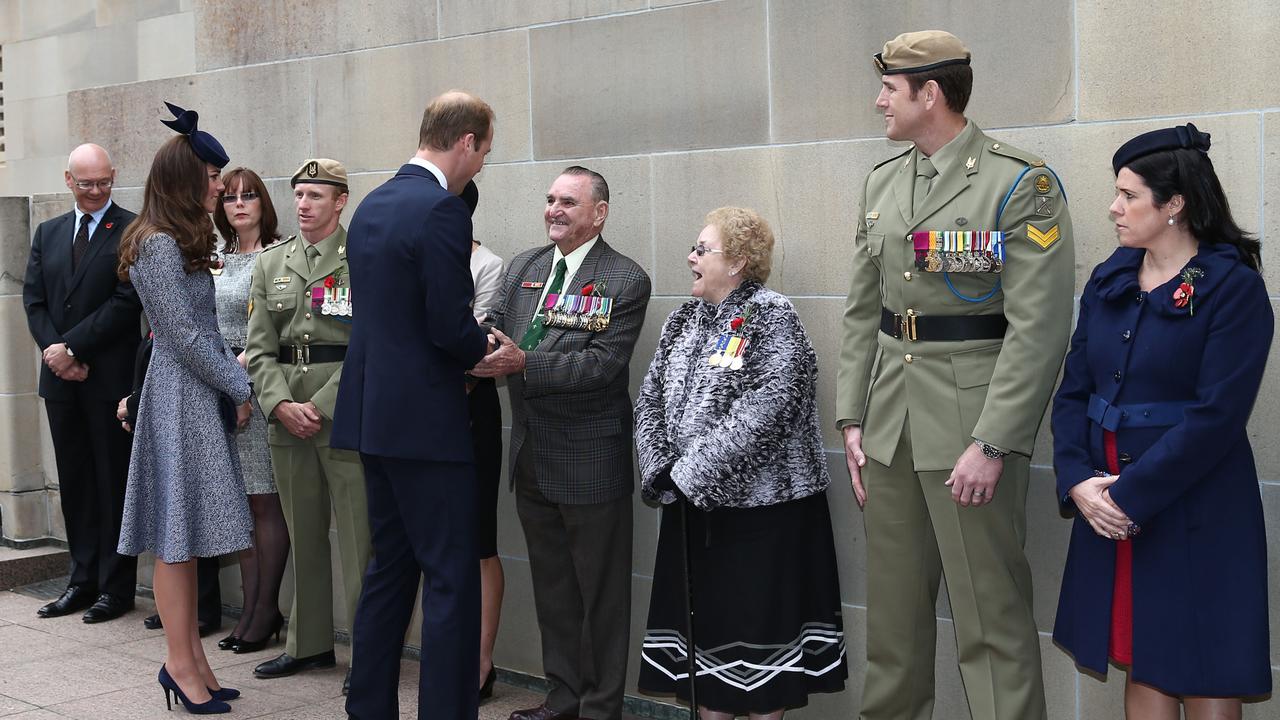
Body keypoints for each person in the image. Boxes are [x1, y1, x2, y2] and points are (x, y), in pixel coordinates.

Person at [835, 31, 1075, 720]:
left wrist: (994, 440)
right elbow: (862, 314)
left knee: (990, 624)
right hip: (891, 427)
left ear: (930, 93)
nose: (879, 99)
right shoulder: (883, 182)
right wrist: (853, 419)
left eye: (891, 87)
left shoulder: (1017, 182)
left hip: (971, 430)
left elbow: (1040, 328)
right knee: (894, 628)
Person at [1051, 124, 1272, 719]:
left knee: (1203, 663)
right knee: (1142, 654)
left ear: (1174, 205)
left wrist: (1129, 497)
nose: (1114, 208)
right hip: (1107, 501)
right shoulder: (1110, 278)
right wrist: (1076, 479)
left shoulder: (1233, 288)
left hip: (1194, 508)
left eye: (1129, 196)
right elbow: (1073, 391)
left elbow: (1218, 417)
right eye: (1116, 192)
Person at [635, 208, 847, 719]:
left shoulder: (772, 315)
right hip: (693, 514)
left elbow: (769, 408)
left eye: (702, 249)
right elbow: (648, 398)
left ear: (738, 262)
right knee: (705, 661)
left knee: (758, 663)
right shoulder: (682, 318)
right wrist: (658, 465)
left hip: (763, 521)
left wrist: (686, 475)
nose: (690, 256)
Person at [331, 90, 495, 720]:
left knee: (390, 571)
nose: (480, 166)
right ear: (466, 142)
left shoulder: (373, 205)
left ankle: (369, 706)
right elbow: (448, 326)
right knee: (451, 579)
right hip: (427, 425)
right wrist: (491, 350)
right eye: (483, 153)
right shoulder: (440, 211)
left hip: (375, 419)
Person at [472, 166, 652, 720]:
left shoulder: (624, 278)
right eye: (550, 199)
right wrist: (475, 345)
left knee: (600, 596)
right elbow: (495, 322)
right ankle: (563, 700)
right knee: (553, 591)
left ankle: (600, 708)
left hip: (591, 459)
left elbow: (601, 365)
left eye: (568, 202)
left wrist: (524, 361)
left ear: (599, 212)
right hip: (532, 457)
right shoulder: (526, 266)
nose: (554, 209)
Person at [115, 102, 252, 714]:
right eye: (214, 176)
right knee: (177, 537)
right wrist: (241, 386)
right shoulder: (157, 245)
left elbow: (198, 334)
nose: (221, 187)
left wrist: (229, 382)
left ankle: (194, 662)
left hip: (192, 395)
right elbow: (185, 336)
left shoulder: (173, 240)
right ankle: (179, 662)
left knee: (189, 535)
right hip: (179, 398)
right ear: (186, 179)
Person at [246, 158, 370, 690]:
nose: (303, 204)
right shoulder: (272, 264)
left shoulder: (361, 260)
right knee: (303, 533)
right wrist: (278, 405)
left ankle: (369, 654)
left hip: (341, 413)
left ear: (340, 201)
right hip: (286, 417)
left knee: (361, 541)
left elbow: (370, 344)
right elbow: (258, 349)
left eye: (316, 195)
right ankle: (310, 644)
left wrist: (320, 405)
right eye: (298, 194)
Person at [23, 143, 142, 624]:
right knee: (75, 483)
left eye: (104, 182)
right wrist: (57, 355)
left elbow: (126, 300)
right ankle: (82, 579)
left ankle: (116, 589)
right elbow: (34, 301)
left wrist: (72, 348)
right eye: (86, 183)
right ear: (68, 180)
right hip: (62, 384)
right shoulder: (48, 232)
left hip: (108, 381)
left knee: (113, 483)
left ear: (114, 176)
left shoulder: (133, 229)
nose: (96, 192)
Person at [210, 167, 289, 655]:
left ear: (263, 203)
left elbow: (277, 324)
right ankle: (250, 612)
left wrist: (240, 380)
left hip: (259, 387)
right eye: (231, 197)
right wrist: (222, 380)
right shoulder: (214, 257)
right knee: (239, 503)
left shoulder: (277, 255)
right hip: (218, 384)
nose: (239, 205)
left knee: (265, 501)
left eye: (249, 196)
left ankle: (265, 611)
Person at [462, 180, 507, 702]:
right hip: (421, 408)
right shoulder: (417, 257)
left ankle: (480, 662)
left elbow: (479, 337)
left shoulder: (487, 265)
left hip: (469, 403)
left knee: (478, 540)